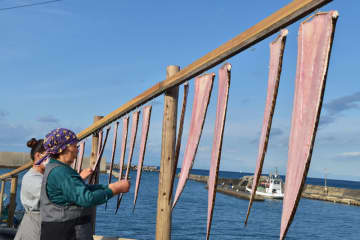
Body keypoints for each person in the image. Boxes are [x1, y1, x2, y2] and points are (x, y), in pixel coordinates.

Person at [38, 128, 130, 240]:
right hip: (66, 232)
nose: (77, 150)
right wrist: (114, 189)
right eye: (75, 146)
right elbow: (86, 198)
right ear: (64, 148)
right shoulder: (60, 172)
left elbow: (80, 189)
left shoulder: (55, 168)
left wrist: (106, 187)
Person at [14, 138, 46, 240]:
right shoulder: (32, 178)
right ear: (38, 156)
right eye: (51, 156)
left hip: (38, 224)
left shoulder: (42, 176)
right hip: (34, 226)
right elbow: (51, 194)